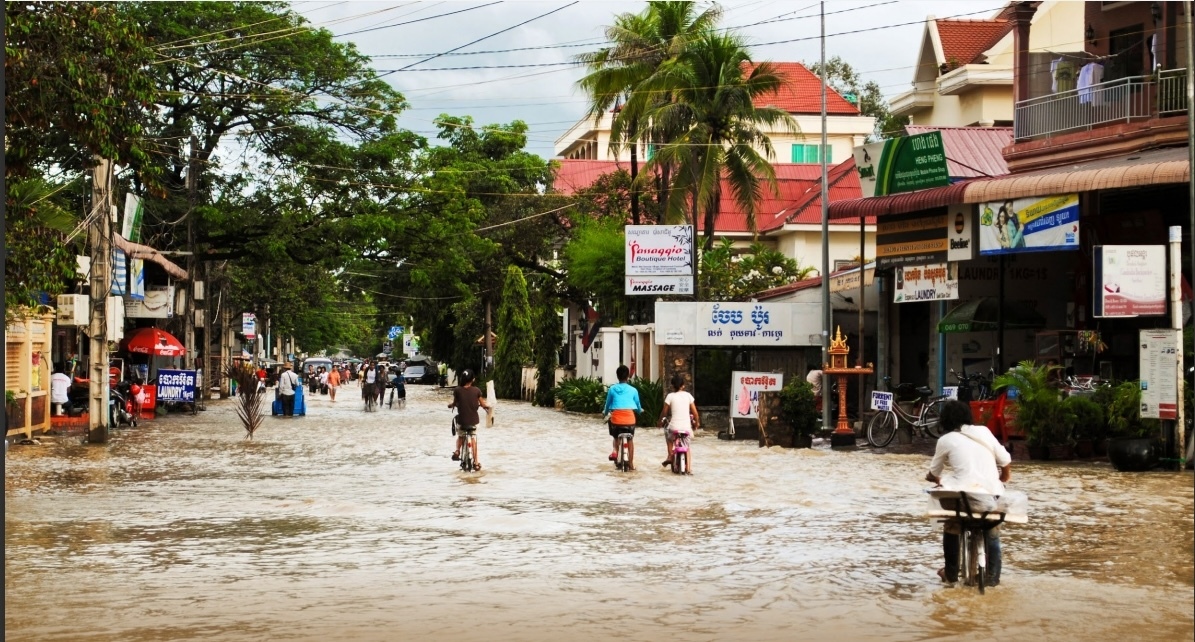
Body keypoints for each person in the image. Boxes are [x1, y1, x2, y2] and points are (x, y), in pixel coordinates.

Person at [925, 400, 1012, 587]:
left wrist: (932, 478)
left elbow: (934, 473)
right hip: (992, 498)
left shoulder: (945, 440)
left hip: (965, 499)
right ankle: (994, 578)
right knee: (992, 530)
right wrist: (1003, 479)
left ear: (945, 420)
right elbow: (1005, 461)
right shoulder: (984, 432)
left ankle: (950, 574)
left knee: (951, 523)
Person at [448, 369, 490, 470]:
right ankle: (476, 463)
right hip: (474, 422)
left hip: (462, 422)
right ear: (473, 380)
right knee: (473, 439)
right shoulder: (477, 391)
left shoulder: (457, 390)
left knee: (461, 436)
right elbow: (484, 405)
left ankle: (457, 451)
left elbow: (455, 403)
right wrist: (486, 406)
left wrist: (451, 405)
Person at [602, 365, 642, 469]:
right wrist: (639, 411)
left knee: (615, 436)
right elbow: (638, 405)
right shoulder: (633, 390)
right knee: (630, 440)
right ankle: (631, 464)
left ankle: (615, 450)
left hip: (616, 419)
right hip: (630, 419)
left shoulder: (612, 389)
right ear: (628, 376)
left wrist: (605, 413)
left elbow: (607, 404)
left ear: (617, 376)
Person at [658, 374, 700, 473]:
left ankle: (670, 455)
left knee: (668, 436)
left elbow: (664, 412)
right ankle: (688, 469)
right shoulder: (688, 396)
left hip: (674, 427)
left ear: (672, 386)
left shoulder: (670, 396)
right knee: (688, 447)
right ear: (683, 385)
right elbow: (695, 413)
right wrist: (696, 423)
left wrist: (660, 421)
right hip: (686, 428)